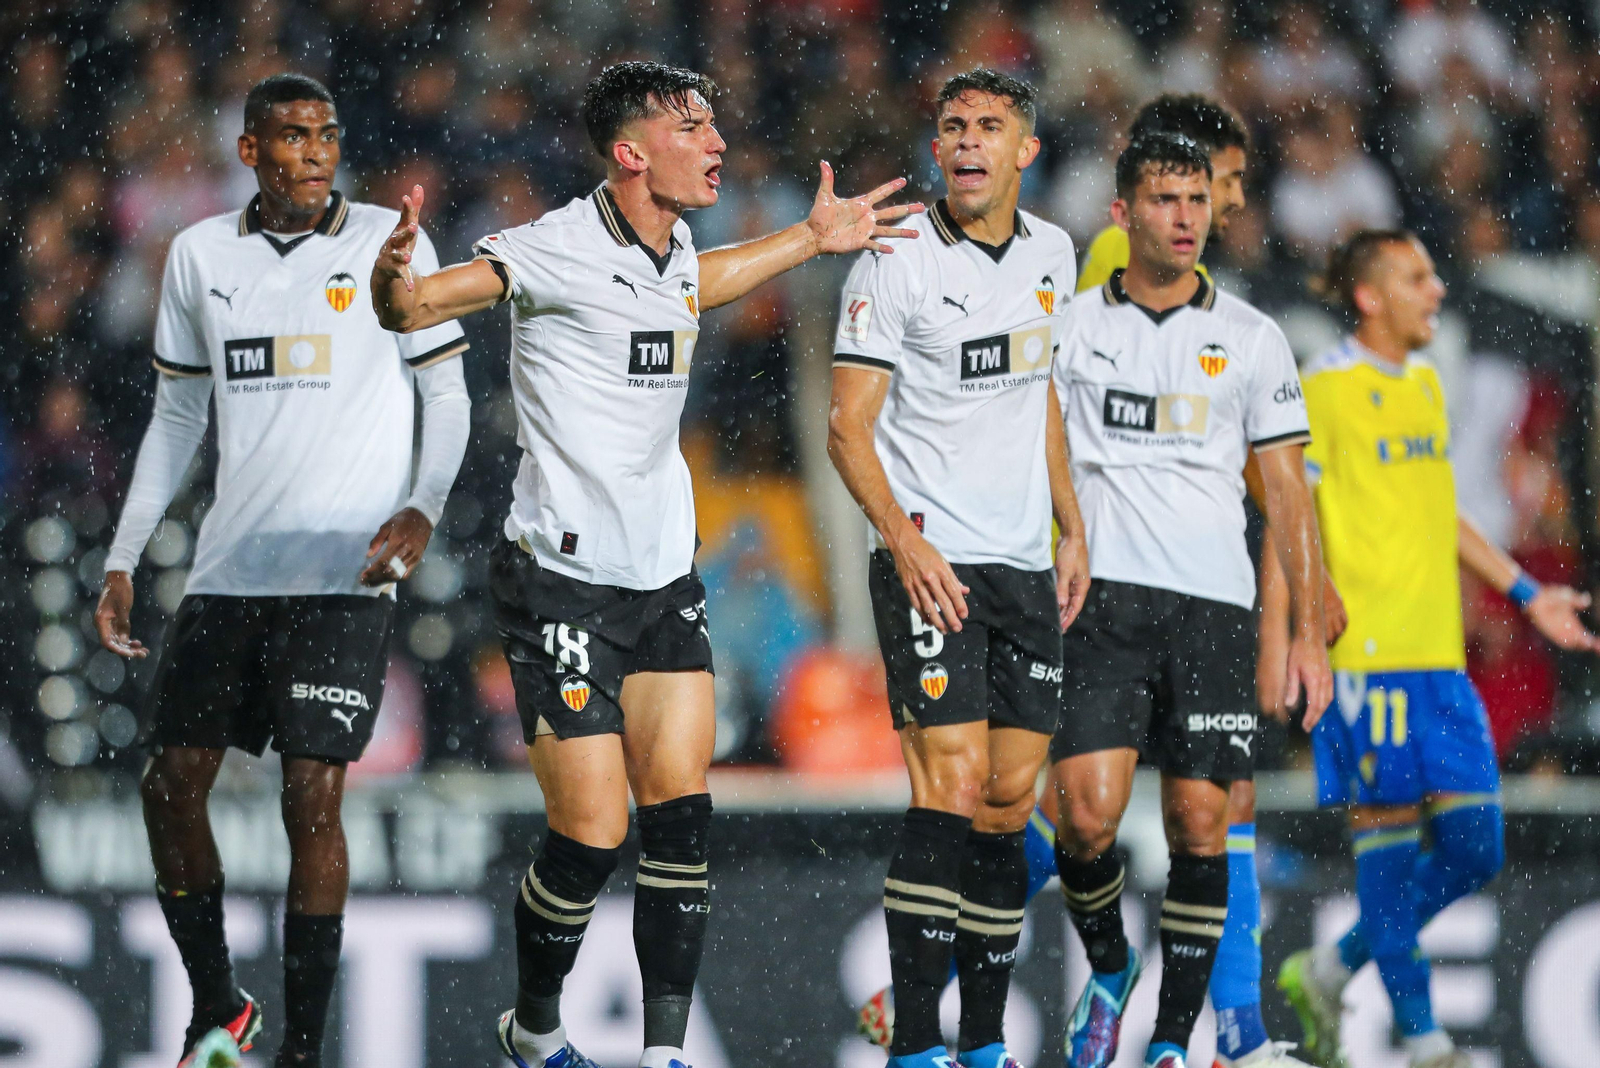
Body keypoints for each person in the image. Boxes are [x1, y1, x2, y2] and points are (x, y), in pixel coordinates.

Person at [368, 61, 920, 1068]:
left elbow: (689, 289)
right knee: (588, 833)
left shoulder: (672, 249)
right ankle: (534, 1029)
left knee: (679, 816)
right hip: (558, 583)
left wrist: (807, 238)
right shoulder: (549, 248)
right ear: (630, 153)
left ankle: (663, 1054)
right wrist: (392, 281)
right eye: (692, 127)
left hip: (663, 578)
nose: (716, 143)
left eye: (712, 123)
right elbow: (417, 309)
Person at [94, 73, 471, 1068]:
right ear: (250, 150)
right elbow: (177, 418)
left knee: (311, 797)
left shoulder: (390, 242)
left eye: (326, 135)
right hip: (231, 567)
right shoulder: (199, 257)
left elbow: (450, 394)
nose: (313, 152)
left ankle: (303, 1050)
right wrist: (125, 554)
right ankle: (218, 1003)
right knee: (169, 786)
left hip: (342, 569)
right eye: (291, 137)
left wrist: (425, 504)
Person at [1271, 230, 1600, 1068]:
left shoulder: (1421, 385)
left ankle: (1331, 966)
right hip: (1366, 660)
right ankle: (1423, 1041)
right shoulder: (1325, 388)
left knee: (1475, 845)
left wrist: (1527, 595)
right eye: (1417, 278)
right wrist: (1299, 627)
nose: (1436, 292)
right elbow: (1290, 515)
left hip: (1438, 656)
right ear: (1371, 296)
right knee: (1385, 843)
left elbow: (1441, 512)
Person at [1050, 132, 1332, 1068]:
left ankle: (1173, 1041)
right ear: (1122, 213)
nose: (1185, 218)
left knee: (1201, 824)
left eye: (1198, 200)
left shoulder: (1252, 336)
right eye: (1165, 200)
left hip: (1213, 606)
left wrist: (1308, 627)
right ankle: (1109, 963)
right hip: (1101, 603)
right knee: (1084, 815)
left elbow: (1287, 488)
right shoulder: (1072, 325)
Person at [829, 69, 1089, 1068]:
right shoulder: (893, 261)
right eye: (952, 127)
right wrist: (905, 540)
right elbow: (846, 429)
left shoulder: (1053, 254)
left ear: (1025, 150)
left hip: (1025, 563)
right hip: (930, 561)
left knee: (1008, 802)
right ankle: (916, 1048)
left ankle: (982, 1045)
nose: (969, 141)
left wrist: (1072, 523)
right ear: (936, 149)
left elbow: (1045, 396)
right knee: (948, 785)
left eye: (990, 127)